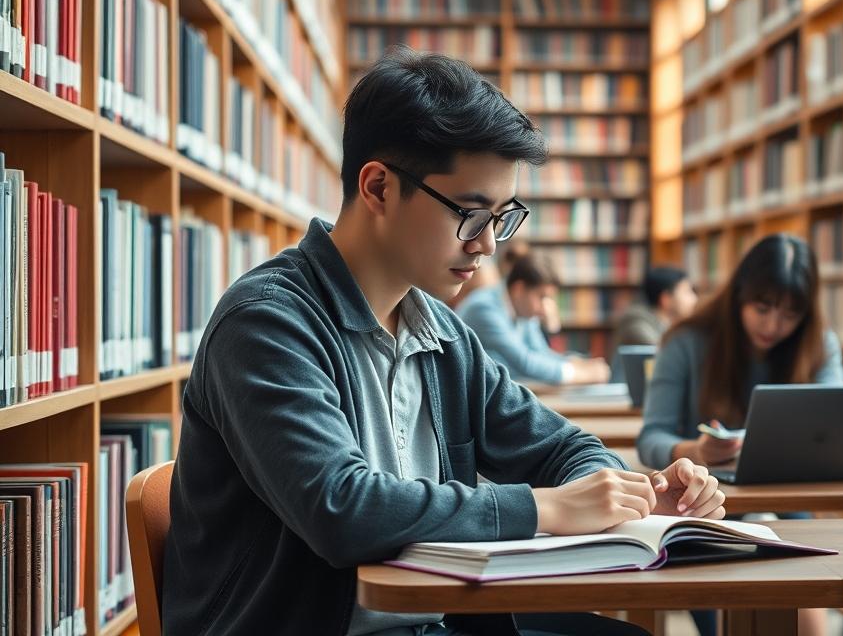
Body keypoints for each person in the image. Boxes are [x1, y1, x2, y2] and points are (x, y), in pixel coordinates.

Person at [161, 47, 726, 636]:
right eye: (471, 214)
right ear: (378, 187)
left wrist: (635, 492)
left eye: (502, 218)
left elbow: (560, 448)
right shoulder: (266, 324)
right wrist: (546, 508)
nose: (488, 246)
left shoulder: (440, 331)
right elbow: (341, 509)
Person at [636, 233, 843, 636]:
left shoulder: (818, 344)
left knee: (806, 583)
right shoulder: (686, 341)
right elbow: (651, 436)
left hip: (787, 490)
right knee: (719, 607)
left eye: (789, 314)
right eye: (762, 308)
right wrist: (695, 449)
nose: (773, 325)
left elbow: (834, 423)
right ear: (738, 297)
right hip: (701, 497)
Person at [457, 252, 611, 385]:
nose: (545, 308)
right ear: (519, 289)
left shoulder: (521, 309)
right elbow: (525, 362)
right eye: (542, 297)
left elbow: (540, 352)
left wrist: (575, 364)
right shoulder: (484, 308)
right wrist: (579, 374)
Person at [609, 266, 698, 382]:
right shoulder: (635, 323)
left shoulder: (671, 325)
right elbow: (668, 355)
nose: (694, 299)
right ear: (666, 299)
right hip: (623, 397)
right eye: (687, 292)